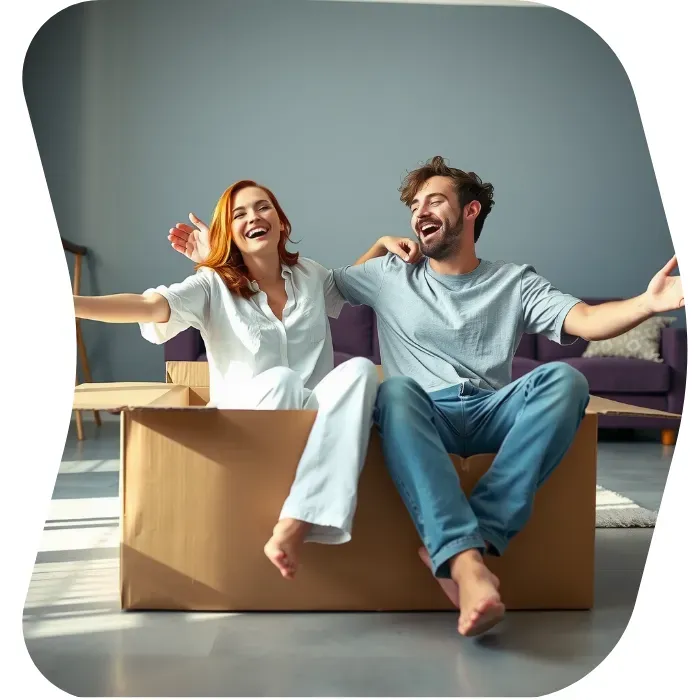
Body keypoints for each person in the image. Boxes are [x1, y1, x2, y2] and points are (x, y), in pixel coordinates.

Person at [170, 158, 683, 638]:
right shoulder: (390, 275)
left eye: (433, 201)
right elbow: (309, 286)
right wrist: (211, 263)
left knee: (568, 381)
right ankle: (468, 565)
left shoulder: (513, 281)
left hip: (490, 407)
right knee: (392, 390)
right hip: (418, 413)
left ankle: (472, 541)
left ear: (470, 211)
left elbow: (587, 320)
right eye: (414, 207)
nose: (420, 213)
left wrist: (648, 302)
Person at [73, 179, 420, 582]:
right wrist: (69, 304)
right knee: (283, 380)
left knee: (360, 370)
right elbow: (150, 306)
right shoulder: (210, 284)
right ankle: (290, 507)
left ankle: (300, 518)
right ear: (229, 233)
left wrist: (381, 243)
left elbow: (351, 280)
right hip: (246, 429)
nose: (254, 217)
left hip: (312, 423)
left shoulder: (309, 275)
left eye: (263, 208)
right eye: (240, 214)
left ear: (281, 222)